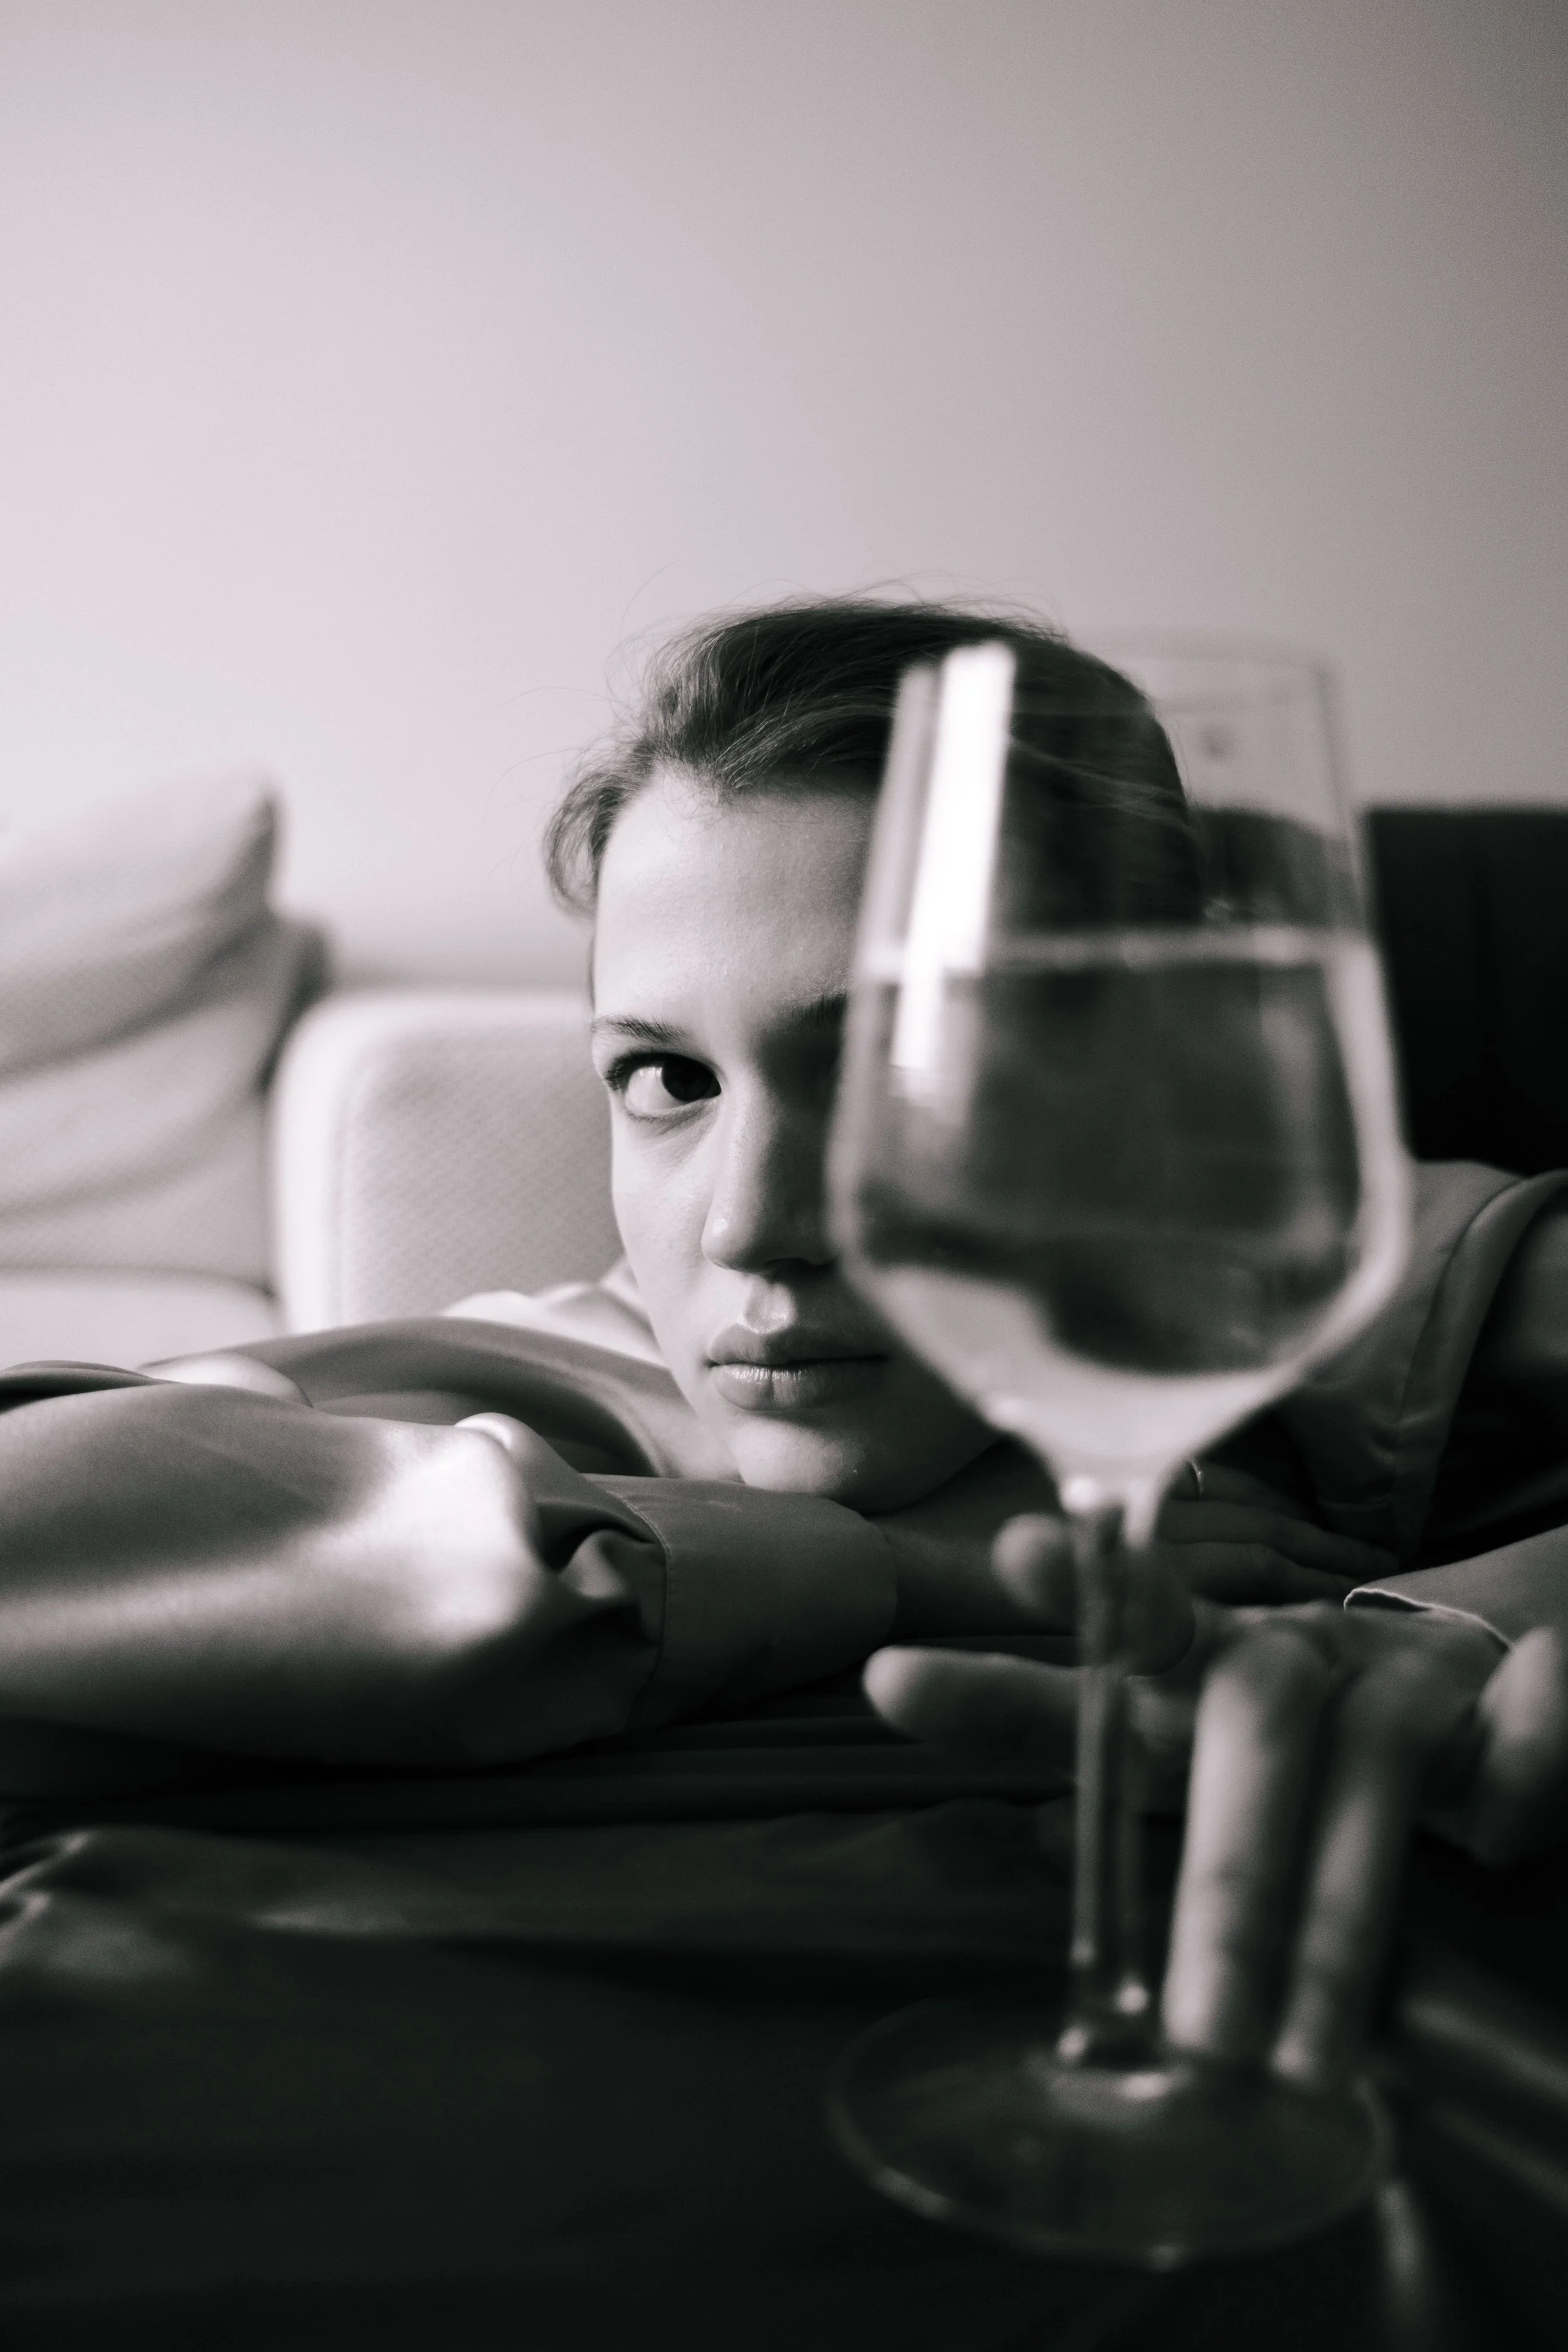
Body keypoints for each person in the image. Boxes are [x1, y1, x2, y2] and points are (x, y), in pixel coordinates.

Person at [2, 598, 1566, 2099]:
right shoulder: (551, 1377)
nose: (751, 1226)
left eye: (902, 1055)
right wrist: (886, 1562)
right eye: (668, 1076)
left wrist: (1469, 1620)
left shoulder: (1331, 1293)